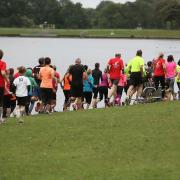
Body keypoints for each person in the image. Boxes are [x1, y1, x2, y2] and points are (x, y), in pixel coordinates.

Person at [0, 49, 8, 123]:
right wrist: (7, 79)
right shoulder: (2, 63)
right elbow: (3, 73)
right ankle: (0, 118)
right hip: (0, 84)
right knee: (0, 102)